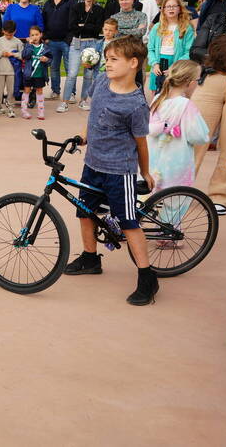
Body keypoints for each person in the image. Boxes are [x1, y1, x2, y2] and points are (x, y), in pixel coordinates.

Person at [67, 35, 158, 306]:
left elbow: (141, 143)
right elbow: (93, 114)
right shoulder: (102, 82)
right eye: (106, 58)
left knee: (129, 223)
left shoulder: (137, 104)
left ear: (133, 63)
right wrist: (83, 136)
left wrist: (146, 172)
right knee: (84, 212)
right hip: (93, 164)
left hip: (120, 171)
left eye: (113, 59)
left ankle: (147, 277)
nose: (107, 63)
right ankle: (90, 258)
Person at [147, 60, 210, 241]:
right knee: (176, 200)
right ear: (189, 83)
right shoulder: (186, 105)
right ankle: (168, 232)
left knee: (154, 196)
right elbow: (198, 135)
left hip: (155, 160)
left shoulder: (158, 99)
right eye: (198, 80)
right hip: (177, 162)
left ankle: (155, 226)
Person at [190, 0, 226, 215]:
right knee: (194, 134)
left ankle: (221, 195)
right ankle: (180, 188)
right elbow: (196, 50)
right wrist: (220, 62)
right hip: (212, 77)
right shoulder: (217, 18)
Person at [59, 0, 105, 111]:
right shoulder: (76, 7)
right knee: (72, 73)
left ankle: (83, 100)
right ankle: (64, 102)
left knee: (88, 75)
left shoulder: (99, 10)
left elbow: (97, 28)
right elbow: (72, 26)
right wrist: (88, 26)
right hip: (77, 42)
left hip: (92, 43)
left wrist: (82, 26)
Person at [147, 0, 194, 92]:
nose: (171, 9)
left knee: (174, 93)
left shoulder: (186, 28)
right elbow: (150, 48)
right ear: (163, 9)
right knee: (156, 93)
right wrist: (154, 63)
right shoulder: (157, 27)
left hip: (176, 63)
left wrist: (175, 67)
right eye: (168, 6)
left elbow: (189, 51)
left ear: (180, 9)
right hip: (158, 63)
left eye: (174, 6)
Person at [42, 0, 74, 100]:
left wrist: (68, 39)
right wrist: (45, 37)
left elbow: (73, 21)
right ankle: (55, 91)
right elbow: (43, 21)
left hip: (66, 41)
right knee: (54, 68)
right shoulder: (48, 3)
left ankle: (71, 93)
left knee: (69, 68)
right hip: (51, 42)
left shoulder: (70, 2)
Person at [0, 20, 23, 117]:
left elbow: (22, 55)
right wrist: (1, 53)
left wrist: (13, 54)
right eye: (6, 34)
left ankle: (10, 107)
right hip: (0, 71)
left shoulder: (18, 42)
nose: (8, 36)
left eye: (10, 34)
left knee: (11, 91)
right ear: (3, 31)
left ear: (14, 32)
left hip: (13, 71)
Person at [20, 26, 50, 120]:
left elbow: (50, 59)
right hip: (29, 73)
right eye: (32, 35)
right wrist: (29, 45)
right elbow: (25, 55)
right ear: (29, 36)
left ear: (41, 35)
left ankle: (41, 112)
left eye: (36, 34)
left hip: (40, 74)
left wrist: (46, 59)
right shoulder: (28, 46)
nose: (35, 37)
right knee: (27, 90)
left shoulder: (45, 47)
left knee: (40, 91)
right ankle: (24, 111)